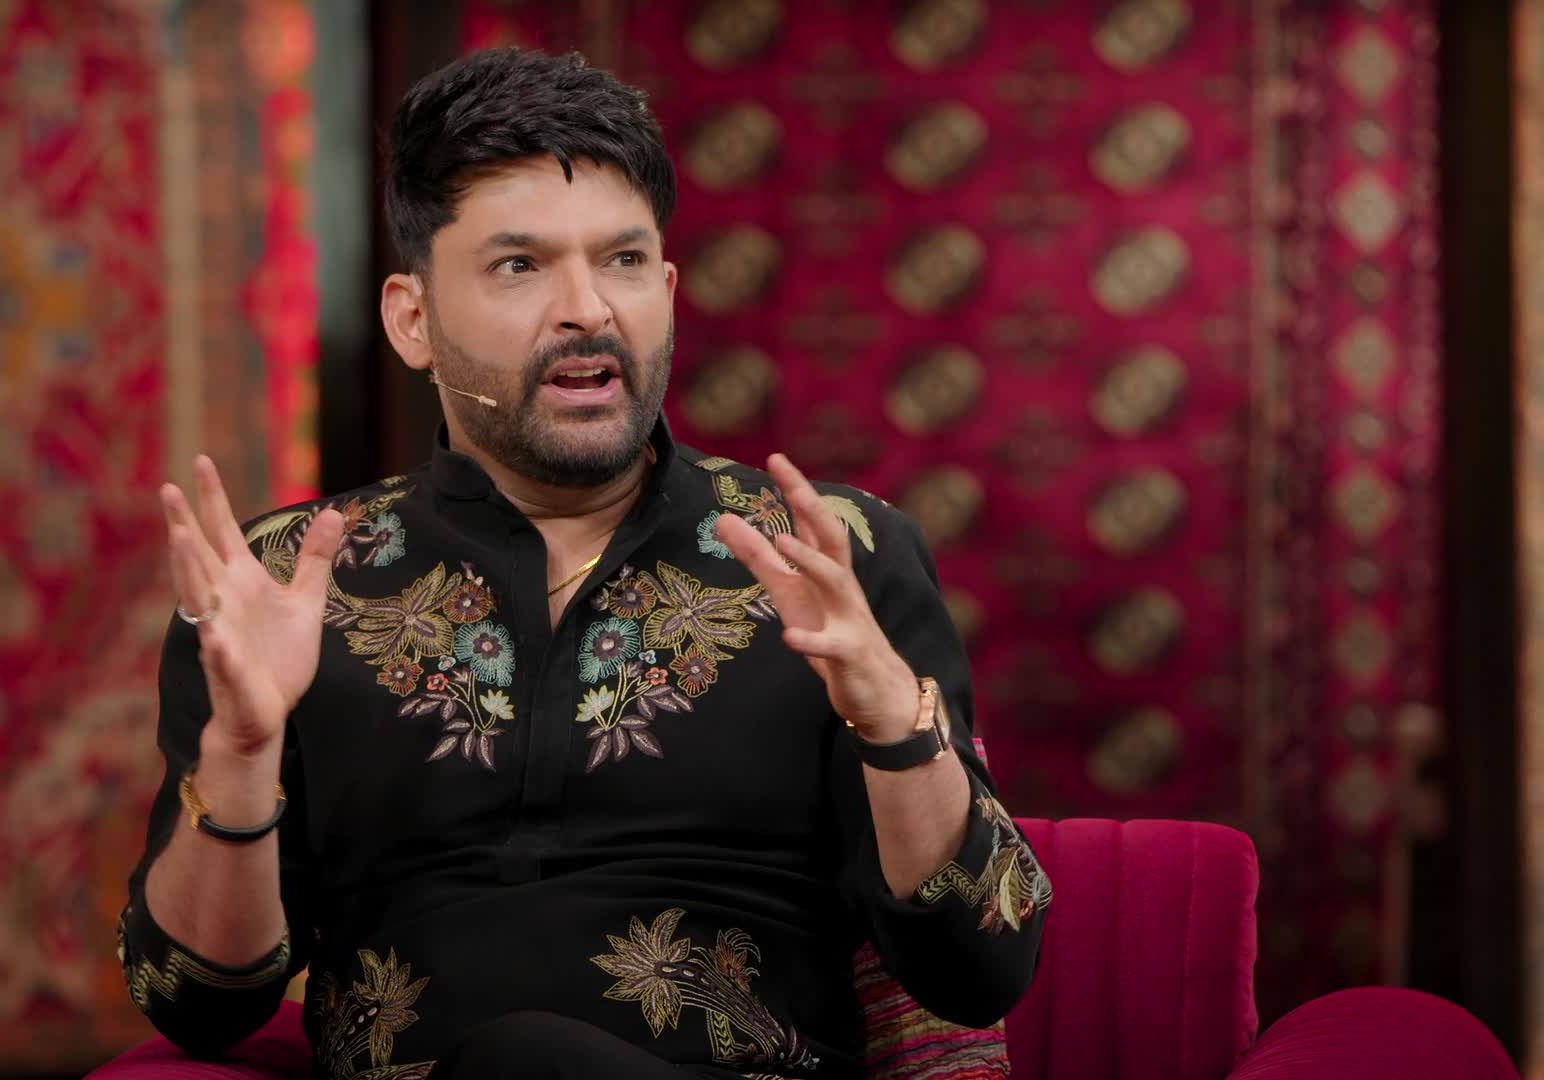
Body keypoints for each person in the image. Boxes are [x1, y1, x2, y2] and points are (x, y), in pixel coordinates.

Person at [117, 48, 1050, 1080]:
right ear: (412, 319)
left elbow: (983, 967)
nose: (589, 309)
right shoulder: (284, 582)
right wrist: (242, 753)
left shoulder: (830, 553)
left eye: (624, 260)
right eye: (519, 266)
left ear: (669, 290)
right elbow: (195, 1005)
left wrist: (894, 725)